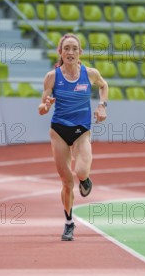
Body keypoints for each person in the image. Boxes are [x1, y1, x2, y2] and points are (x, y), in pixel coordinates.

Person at [38, 33, 108, 241]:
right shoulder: (52, 77)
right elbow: (41, 109)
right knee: (66, 181)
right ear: (60, 52)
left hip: (81, 130)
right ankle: (69, 222)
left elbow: (104, 86)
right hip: (59, 130)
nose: (70, 52)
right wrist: (46, 105)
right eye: (66, 48)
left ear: (80, 53)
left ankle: (85, 180)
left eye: (74, 49)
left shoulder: (90, 74)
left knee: (80, 171)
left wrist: (102, 106)